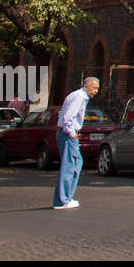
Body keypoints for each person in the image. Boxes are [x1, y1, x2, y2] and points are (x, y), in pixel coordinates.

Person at [53, 76, 99, 210]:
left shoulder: (78, 96)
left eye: (97, 89)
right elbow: (68, 117)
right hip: (67, 135)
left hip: (66, 134)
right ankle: (63, 200)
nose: (96, 91)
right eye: (94, 88)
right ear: (86, 86)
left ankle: (62, 198)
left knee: (75, 163)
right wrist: (72, 133)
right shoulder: (79, 97)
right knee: (71, 165)